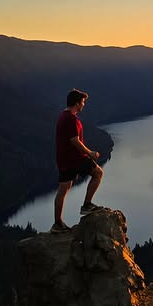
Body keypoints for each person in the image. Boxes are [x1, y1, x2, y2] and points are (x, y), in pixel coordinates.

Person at [51, 89, 104, 233]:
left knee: (63, 189)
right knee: (98, 173)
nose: (83, 105)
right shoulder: (71, 119)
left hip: (64, 159)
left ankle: (57, 223)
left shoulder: (64, 116)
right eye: (82, 102)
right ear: (76, 103)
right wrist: (90, 153)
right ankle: (86, 205)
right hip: (75, 159)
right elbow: (75, 141)